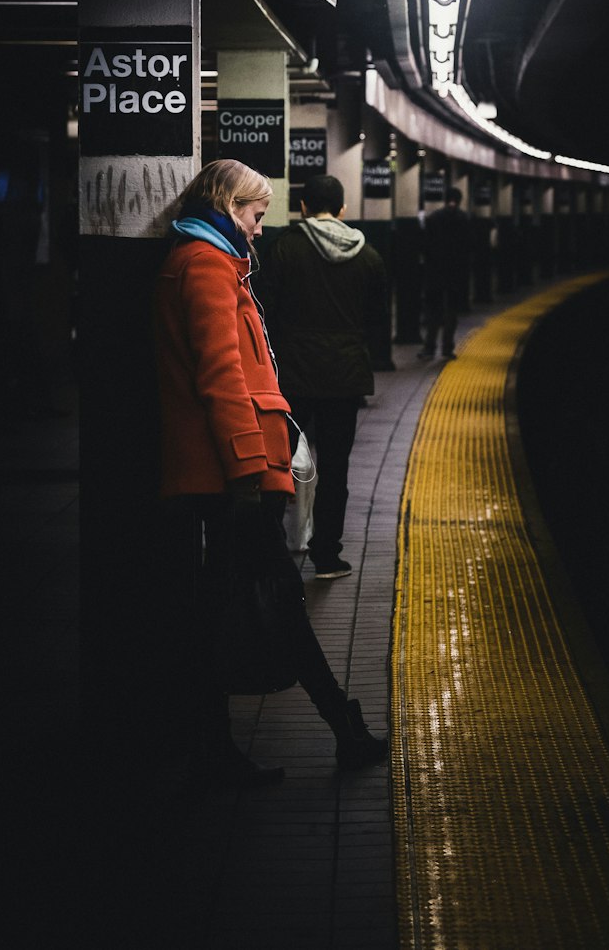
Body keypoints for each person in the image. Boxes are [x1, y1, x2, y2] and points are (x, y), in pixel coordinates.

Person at [152, 159, 387, 787]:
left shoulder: (217, 262)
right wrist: (248, 471)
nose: (261, 227)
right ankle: (341, 729)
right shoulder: (205, 266)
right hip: (233, 475)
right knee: (272, 600)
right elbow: (220, 376)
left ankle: (228, 745)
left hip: (232, 472)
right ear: (230, 203)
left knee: (251, 604)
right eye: (256, 213)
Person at [258, 174, 387, 580]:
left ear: (302, 208)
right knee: (336, 468)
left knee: (280, 462)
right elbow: (376, 318)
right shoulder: (369, 256)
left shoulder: (283, 248)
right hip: (344, 375)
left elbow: (267, 310)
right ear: (343, 209)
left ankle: (274, 551)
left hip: (293, 374)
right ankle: (327, 556)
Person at [419, 186, 471, 359]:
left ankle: (429, 348)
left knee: (434, 311)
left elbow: (425, 246)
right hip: (456, 273)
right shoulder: (464, 219)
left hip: (435, 271)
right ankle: (447, 349)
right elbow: (468, 248)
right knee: (451, 311)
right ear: (459, 199)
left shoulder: (434, 218)